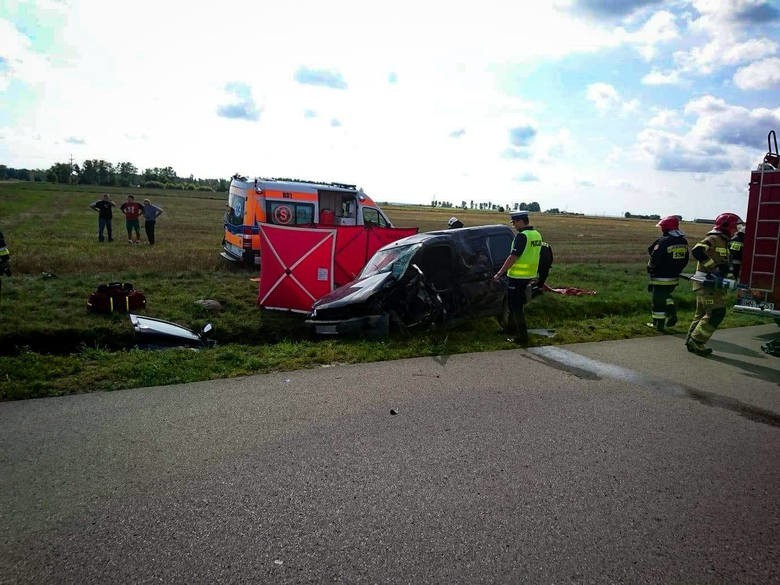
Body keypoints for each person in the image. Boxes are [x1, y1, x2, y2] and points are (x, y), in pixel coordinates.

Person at [685, 212, 742, 356]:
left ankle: (691, 341)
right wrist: (714, 267)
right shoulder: (713, 238)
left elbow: (725, 265)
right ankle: (697, 341)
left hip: (711, 285)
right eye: (735, 227)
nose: (736, 230)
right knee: (716, 313)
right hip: (706, 285)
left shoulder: (725, 242)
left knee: (702, 314)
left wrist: (730, 278)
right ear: (726, 226)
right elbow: (697, 251)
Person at [493, 210, 543, 345]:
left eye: (514, 222)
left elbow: (513, 257)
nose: (514, 225)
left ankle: (522, 337)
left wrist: (499, 273)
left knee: (516, 307)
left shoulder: (522, 236)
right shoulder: (536, 235)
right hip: (529, 276)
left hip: (517, 277)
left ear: (521, 221)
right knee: (514, 304)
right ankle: (510, 329)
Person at [646, 215, 689, 331]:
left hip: (660, 278)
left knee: (657, 302)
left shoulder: (663, 241)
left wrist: (650, 268)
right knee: (666, 296)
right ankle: (672, 314)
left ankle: (658, 325)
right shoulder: (683, 241)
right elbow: (685, 259)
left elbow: (654, 259)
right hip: (674, 278)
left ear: (665, 228)